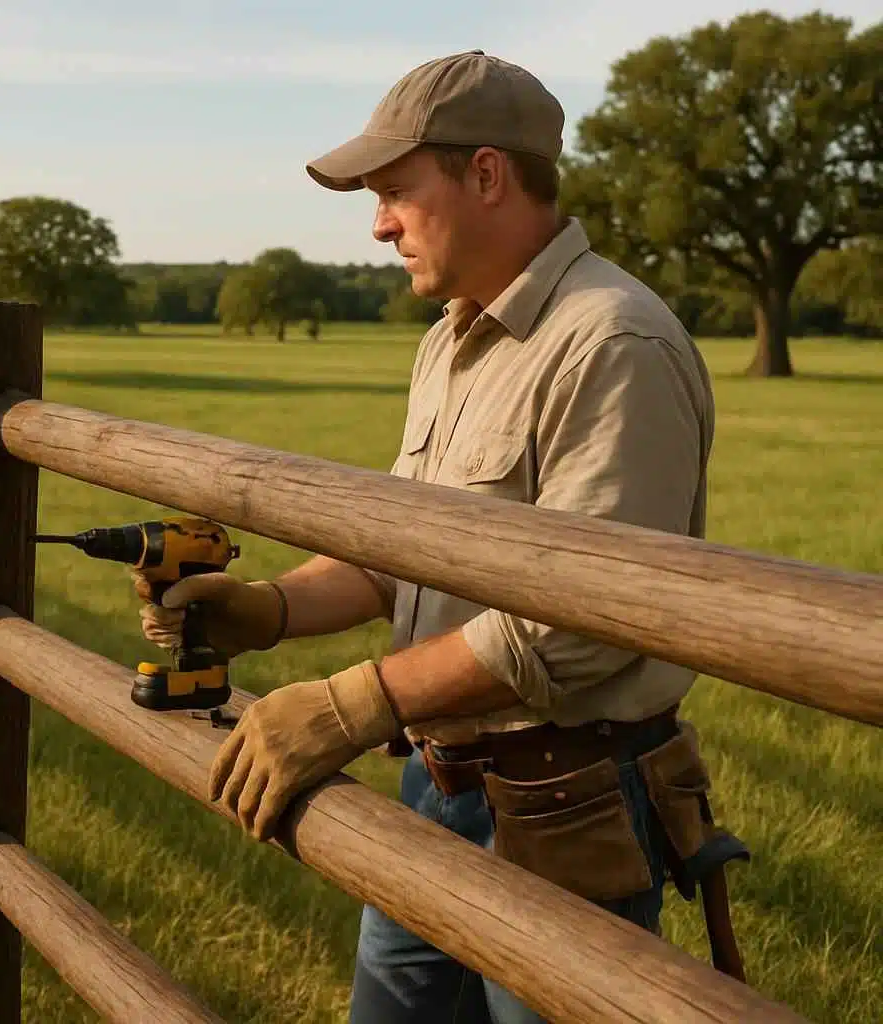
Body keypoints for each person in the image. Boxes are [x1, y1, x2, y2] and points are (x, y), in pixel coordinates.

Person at [135, 49, 749, 1024]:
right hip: (432, 783)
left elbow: (576, 629)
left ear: (487, 174)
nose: (377, 224)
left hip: (564, 807)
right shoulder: (450, 338)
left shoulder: (613, 341)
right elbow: (402, 551)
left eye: (394, 193)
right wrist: (273, 609)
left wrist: (346, 705)